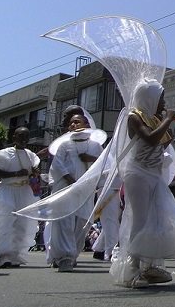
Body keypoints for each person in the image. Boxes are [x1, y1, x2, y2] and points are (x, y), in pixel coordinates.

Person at [110, 79, 175, 288]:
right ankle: (132, 269)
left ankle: (149, 266)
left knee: (158, 220)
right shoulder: (133, 117)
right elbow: (151, 139)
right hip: (138, 173)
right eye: (161, 98)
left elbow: (162, 144)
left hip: (154, 174)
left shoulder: (154, 118)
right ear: (150, 98)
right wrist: (168, 119)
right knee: (141, 220)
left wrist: (165, 123)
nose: (164, 102)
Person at [45, 109, 103, 272]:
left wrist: (91, 159)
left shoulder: (95, 146)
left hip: (86, 191)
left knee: (83, 223)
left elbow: (103, 166)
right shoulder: (64, 145)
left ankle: (72, 254)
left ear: (86, 125)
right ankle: (65, 256)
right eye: (71, 123)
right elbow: (57, 166)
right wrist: (71, 181)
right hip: (66, 189)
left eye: (77, 122)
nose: (73, 124)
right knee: (65, 222)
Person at [0, 126, 40, 268]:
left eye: (26, 136)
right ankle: (4, 255)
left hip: (24, 191)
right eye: (20, 136)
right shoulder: (3, 153)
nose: (23, 139)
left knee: (23, 223)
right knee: (5, 222)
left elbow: (31, 172)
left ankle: (15, 254)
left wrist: (34, 172)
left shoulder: (30, 155)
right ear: (13, 137)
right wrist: (16, 174)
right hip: (7, 190)